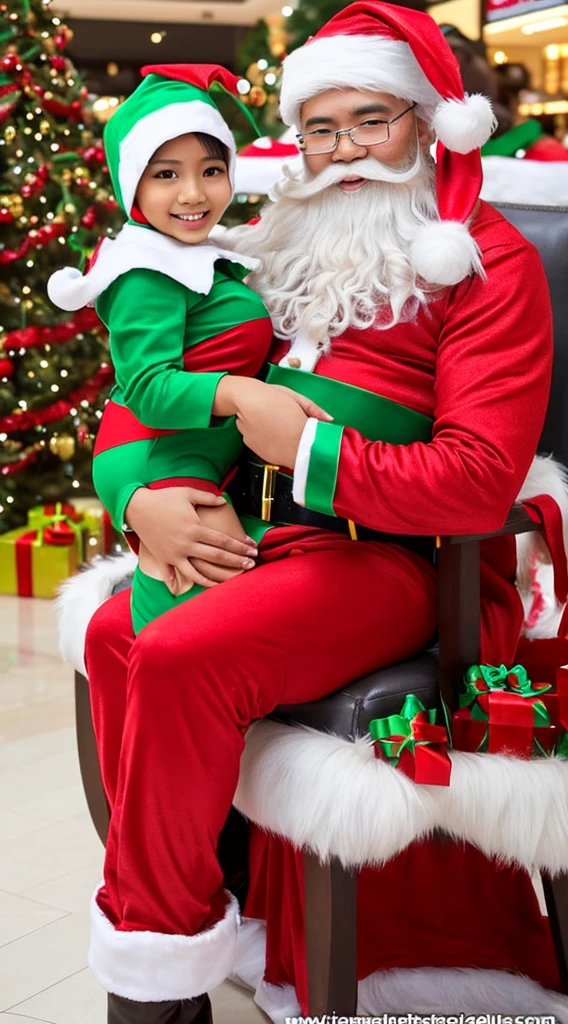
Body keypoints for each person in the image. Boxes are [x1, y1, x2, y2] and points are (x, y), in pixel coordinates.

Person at [83, 5, 566, 1022]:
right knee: (117, 633)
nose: (345, 151)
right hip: (263, 538)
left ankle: (151, 989)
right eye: (320, 127)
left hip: (395, 560)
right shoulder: (281, 248)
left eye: (372, 121)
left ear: (428, 119)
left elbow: (479, 480)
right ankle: (206, 911)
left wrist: (302, 446)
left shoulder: (484, 261)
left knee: (179, 657)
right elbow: (151, 385)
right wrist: (142, 502)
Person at [48, 64, 329, 634]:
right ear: (133, 187)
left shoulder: (200, 254)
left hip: (184, 455)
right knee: (193, 622)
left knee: (205, 620)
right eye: (167, 174)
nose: (194, 194)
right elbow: (148, 387)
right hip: (161, 457)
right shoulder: (145, 271)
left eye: (211, 170)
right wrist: (241, 392)